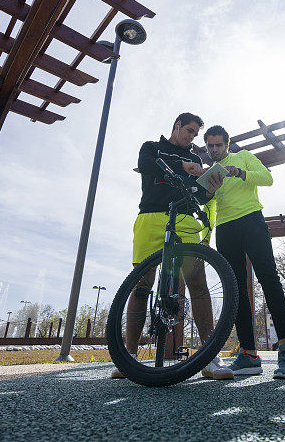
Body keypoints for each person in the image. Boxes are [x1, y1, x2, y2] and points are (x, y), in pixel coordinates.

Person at [111, 113, 233, 380]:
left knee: (198, 283)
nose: (192, 137)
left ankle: (210, 359)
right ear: (177, 126)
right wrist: (183, 168)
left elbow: (200, 195)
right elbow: (146, 165)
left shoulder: (199, 160)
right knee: (142, 284)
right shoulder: (151, 147)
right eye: (189, 130)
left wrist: (210, 188)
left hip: (186, 217)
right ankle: (128, 358)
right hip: (150, 217)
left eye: (194, 133)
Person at [203, 125, 285, 379]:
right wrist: (209, 194)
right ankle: (249, 355)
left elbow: (267, 178)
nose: (214, 150)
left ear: (227, 144)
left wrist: (240, 173)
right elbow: (210, 205)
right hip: (225, 228)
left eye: (218, 145)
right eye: (210, 146)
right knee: (236, 289)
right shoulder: (210, 171)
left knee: (269, 279)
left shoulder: (242, 156)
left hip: (252, 221)